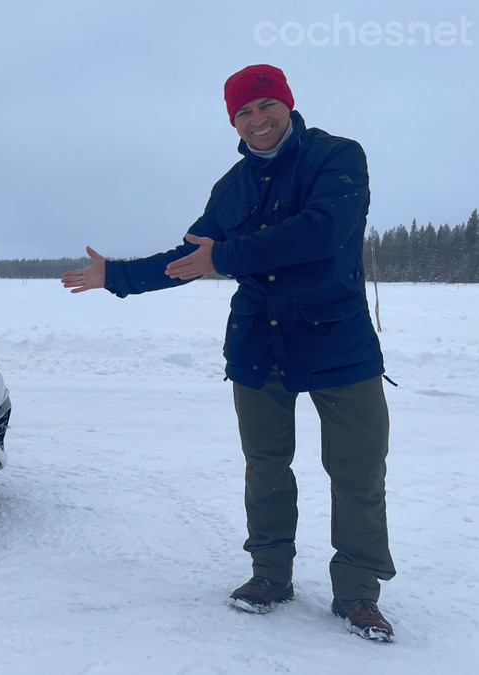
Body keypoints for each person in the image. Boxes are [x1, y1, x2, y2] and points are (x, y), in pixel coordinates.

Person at [62, 64, 396, 642]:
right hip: (258, 343)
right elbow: (191, 256)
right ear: (232, 122)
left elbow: (321, 233)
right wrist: (116, 274)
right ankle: (269, 574)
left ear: (287, 104)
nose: (257, 120)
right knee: (265, 464)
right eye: (244, 112)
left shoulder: (337, 156)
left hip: (338, 341)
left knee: (357, 471)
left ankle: (359, 592)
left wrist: (228, 256)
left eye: (266, 106)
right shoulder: (232, 187)